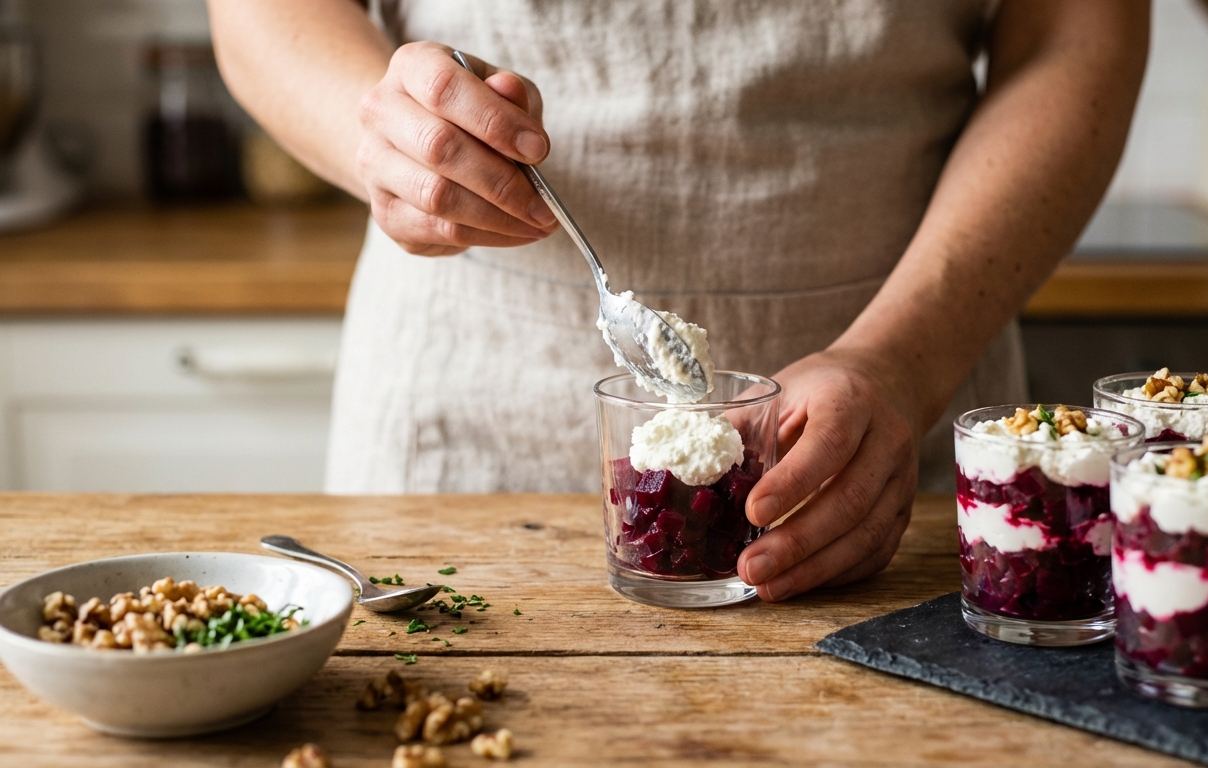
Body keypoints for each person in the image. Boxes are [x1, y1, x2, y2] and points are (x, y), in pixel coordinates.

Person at [208, 0, 1149, 602]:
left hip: (897, 386)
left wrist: (903, 361)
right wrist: (382, 138)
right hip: (471, 390)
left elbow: (1078, 34)